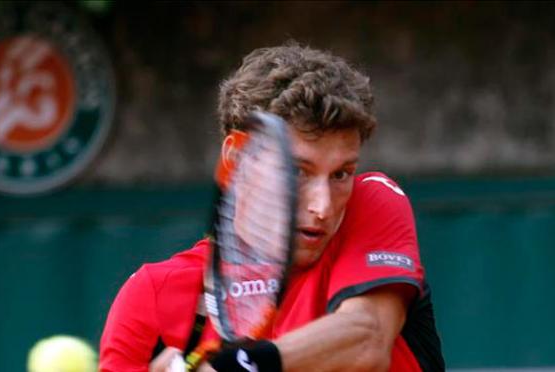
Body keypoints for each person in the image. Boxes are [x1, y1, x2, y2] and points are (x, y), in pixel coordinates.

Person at [100, 42, 445, 372]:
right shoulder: (151, 297)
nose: (322, 207)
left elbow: (367, 340)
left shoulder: (371, 201)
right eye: (297, 171)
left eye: (340, 173)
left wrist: (240, 365)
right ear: (236, 159)